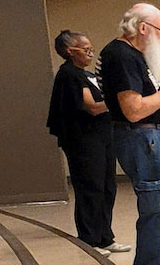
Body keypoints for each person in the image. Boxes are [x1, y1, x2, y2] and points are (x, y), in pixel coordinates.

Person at [99, 3, 160, 265]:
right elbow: (133, 110)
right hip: (142, 138)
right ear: (143, 28)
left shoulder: (135, 56)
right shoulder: (120, 55)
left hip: (156, 138)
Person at [47, 30, 130, 254]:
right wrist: (118, 102)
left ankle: (105, 237)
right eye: (84, 48)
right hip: (83, 141)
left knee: (107, 187)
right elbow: (92, 107)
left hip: (103, 136)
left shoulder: (87, 74)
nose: (90, 51)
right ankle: (88, 239)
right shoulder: (69, 74)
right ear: (69, 51)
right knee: (90, 188)